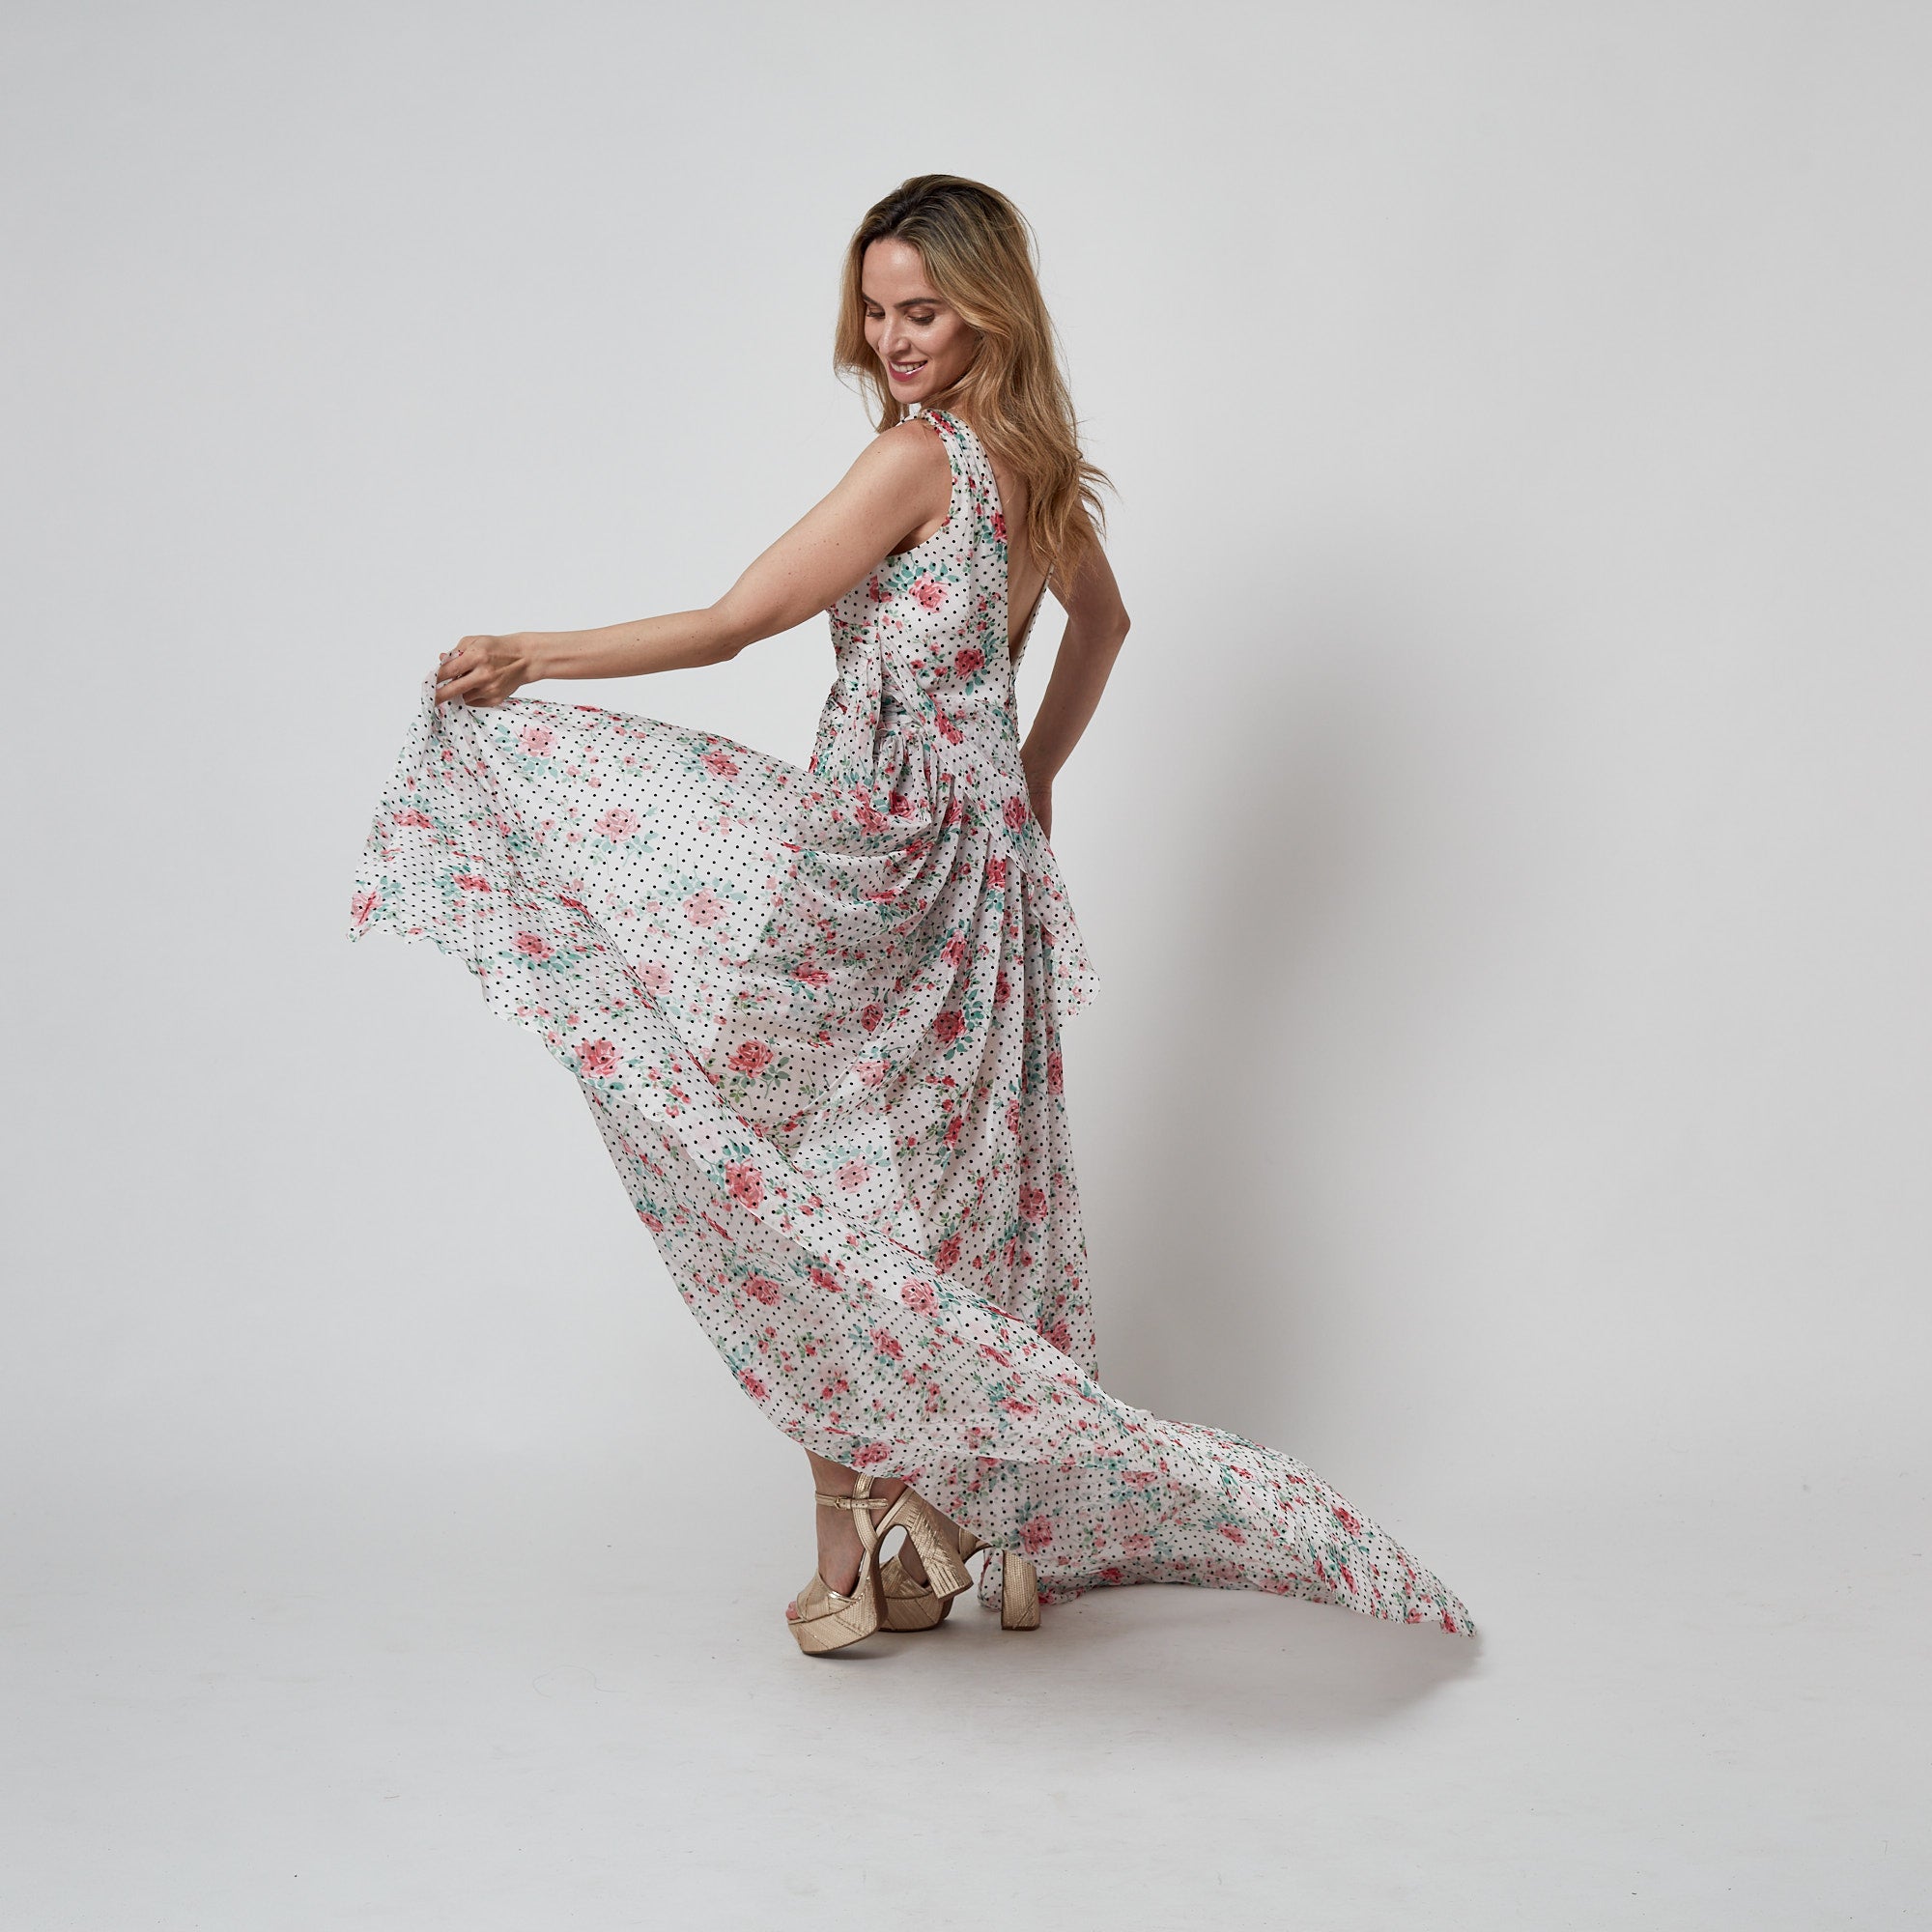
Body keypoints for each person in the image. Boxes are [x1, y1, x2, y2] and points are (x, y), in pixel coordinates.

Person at [349, 174, 1474, 1655]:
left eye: (922, 310)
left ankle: (854, 1539)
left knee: (771, 1166)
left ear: (988, 309)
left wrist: (531, 654)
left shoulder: (917, 460)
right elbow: (1103, 623)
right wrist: (1032, 774)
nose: (893, 339)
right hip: (986, 867)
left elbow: (740, 619)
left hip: (874, 851)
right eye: (876, 312)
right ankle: (977, 1521)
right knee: (966, 1188)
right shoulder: (1038, 468)